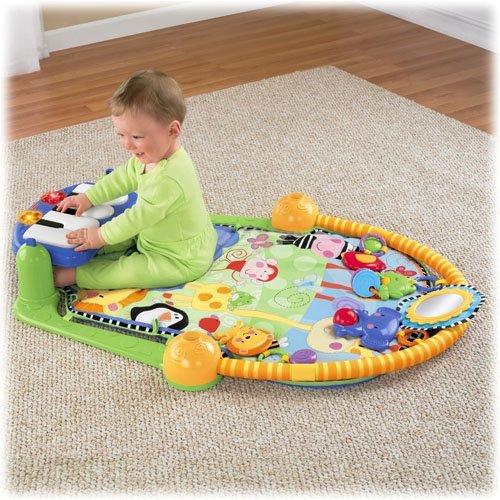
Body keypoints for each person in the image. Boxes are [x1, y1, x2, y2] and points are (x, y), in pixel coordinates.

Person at [53, 69, 217, 290]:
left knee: (127, 270)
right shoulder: (149, 156)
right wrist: (90, 197)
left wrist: (101, 236)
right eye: (121, 135)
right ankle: (88, 247)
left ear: (173, 130)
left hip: (180, 259)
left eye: (137, 137)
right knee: (110, 231)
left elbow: (137, 218)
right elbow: (123, 177)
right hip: (153, 235)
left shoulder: (170, 178)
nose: (127, 144)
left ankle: (74, 275)